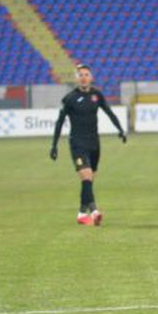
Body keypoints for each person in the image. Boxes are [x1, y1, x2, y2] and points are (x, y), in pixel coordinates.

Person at [49, 64, 126, 226]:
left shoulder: (96, 95)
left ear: (91, 77)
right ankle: (95, 211)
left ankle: (82, 213)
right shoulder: (69, 99)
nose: (83, 78)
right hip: (77, 143)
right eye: (80, 75)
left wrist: (120, 129)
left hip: (94, 143)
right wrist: (54, 145)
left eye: (86, 74)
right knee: (86, 176)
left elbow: (109, 112)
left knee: (89, 180)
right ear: (76, 78)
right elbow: (59, 122)